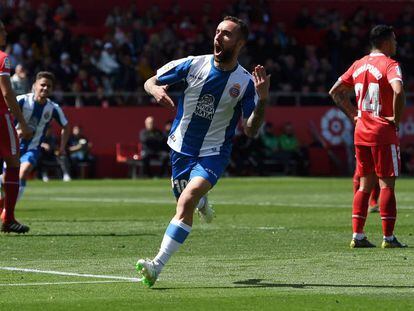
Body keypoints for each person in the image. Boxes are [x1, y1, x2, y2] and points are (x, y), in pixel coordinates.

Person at [136, 16, 270, 287]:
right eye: (218, 32)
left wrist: (263, 100)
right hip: (180, 148)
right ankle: (203, 202)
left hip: (214, 152)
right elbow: (150, 80)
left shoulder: (244, 83)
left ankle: (156, 266)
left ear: (240, 43)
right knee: (185, 199)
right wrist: (155, 91)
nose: (219, 37)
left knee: (186, 201)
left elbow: (252, 130)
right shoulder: (192, 64)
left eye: (227, 34)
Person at [329, 25, 406, 248]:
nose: (396, 44)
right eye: (394, 39)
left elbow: (335, 91)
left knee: (364, 185)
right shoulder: (391, 65)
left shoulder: (359, 64)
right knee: (386, 185)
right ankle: (389, 238)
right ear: (384, 42)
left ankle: (358, 236)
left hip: (361, 131)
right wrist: (395, 119)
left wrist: (353, 114)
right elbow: (399, 91)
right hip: (382, 130)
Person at [3, 71, 70, 203]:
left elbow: (66, 127)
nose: (45, 88)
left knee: (23, 172)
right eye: (43, 85)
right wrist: (15, 132)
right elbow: (4, 115)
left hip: (32, 148)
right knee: (5, 178)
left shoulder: (53, 108)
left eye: (49, 86)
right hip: (12, 147)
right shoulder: (22, 100)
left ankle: (9, 209)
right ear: (35, 85)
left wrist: (62, 148)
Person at [0, 20, 32, 233]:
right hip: (1, 118)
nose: (5, 32)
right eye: (2, 29)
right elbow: (7, 93)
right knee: (13, 162)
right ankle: (8, 218)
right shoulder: (3, 58)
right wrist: (21, 121)